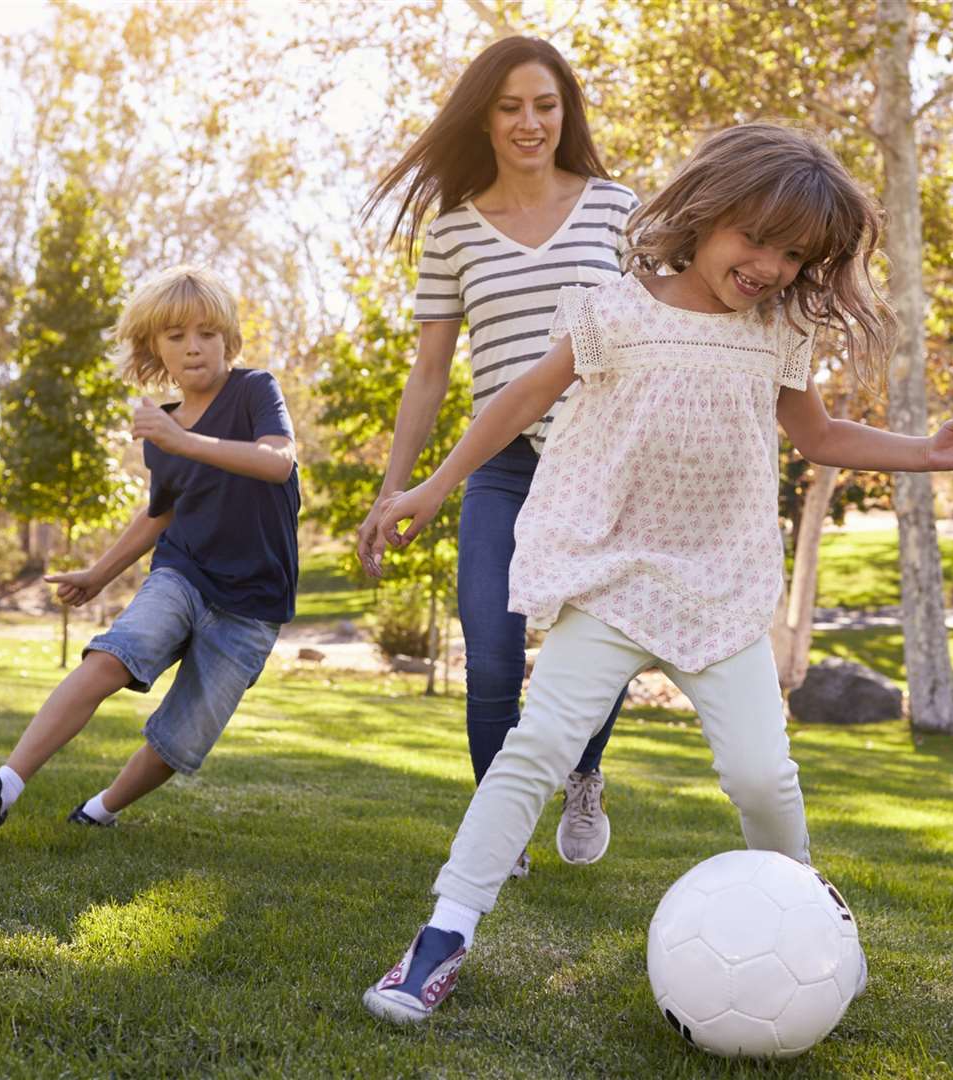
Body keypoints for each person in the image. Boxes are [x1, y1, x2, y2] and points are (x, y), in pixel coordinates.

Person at [360, 123, 953, 1023]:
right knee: (538, 746)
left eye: (794, 254)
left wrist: (926, 454)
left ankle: (813, 925)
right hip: (616, 571)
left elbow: (817, 437)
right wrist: (431, 487)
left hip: (721, 583)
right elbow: (521, 399)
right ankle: (443, 936)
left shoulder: (778, 332)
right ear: (704, 214)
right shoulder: (611, 308)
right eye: (756, 239)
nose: (772, 266)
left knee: (762, 778)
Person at [357, 36, 639, 874]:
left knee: (600, 643)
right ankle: (500, 831)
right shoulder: (452, 236)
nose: (530, 123)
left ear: (566, 113)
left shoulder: (618, 209)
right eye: (511, 107)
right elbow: (431, 373)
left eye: (545, 105)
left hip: (601, 464)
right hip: (502, 465)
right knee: (490, 649)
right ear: (484, 118)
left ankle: (584, 774)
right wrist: (395, 487)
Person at [0, 266, 299, 837]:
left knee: (180, 736)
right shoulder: (165, 428)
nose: (193, 347)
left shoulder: (253, 391)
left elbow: (278, 462)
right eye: (175, 336)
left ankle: (101, 809)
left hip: (254, 604)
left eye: (206, 332)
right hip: (184, 574)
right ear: (155, 349)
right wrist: (100, 573)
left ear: (229, 337)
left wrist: (181, 440)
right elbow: (162, 513)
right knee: (114, 654)